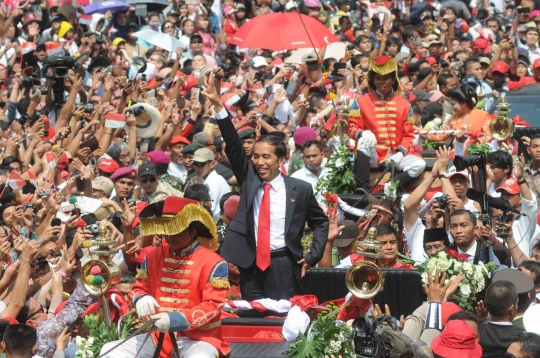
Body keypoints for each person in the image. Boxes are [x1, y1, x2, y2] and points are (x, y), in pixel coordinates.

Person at [204, 72, 329, 301]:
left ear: (281, 160)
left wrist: (313, 255)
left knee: (283, 325)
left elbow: (321, 222)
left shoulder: (300, 189)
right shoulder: (250, 180)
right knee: (253, 322)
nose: (260, 162)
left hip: (284, 264)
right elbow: (233, 145)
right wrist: (218, 107)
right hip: (250, 266)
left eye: (266, 157)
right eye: (256, 157)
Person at [100, 197, 230, 358]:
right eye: (166, 230)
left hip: (199, 338)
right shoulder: (153, 256)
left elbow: (213, 305)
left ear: (193, 231)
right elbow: (139, 288)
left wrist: (176, 319)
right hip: (157, 336)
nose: (169, 236)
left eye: (175, 229)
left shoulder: (214, 262)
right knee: (109, 351)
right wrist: (141, 298)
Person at [348, 56, 426, 190]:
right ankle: (363, 189)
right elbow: (352, 128)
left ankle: (391, 187)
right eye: (378, 78)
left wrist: (401, 152)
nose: (382, 82)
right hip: (372, 154)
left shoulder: (405, 105)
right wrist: (362, 134)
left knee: (419, 164)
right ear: (373, 80)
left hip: (396, 154)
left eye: (386, 78)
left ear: (393, 80)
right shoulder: (360, 102)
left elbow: (408, 135)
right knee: (363, 142)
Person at [480, 281, 525, 357]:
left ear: (485, 303)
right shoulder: (523, 336)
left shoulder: (477, 331)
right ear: (511, 308)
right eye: (517, 303)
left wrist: (478, 321)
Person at [192, 148, 231, 222]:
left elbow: (211, 210)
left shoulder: (214, 182)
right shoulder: (209, 180)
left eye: (200, 164)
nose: (197, 167)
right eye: (195, 163)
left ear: (212, 164)